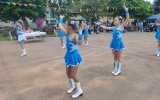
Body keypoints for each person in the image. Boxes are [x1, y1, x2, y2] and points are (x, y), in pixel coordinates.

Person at [95, 5, 130, 76]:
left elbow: (127, 19)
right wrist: (98, 24)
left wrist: (126, 10)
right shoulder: (113, 27)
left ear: (119, 21)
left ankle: (119, 70)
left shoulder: (121, 27)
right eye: (114, 20)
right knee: (115, 57)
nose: (114, 21)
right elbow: (105, 27)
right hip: (113, 43)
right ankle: (115, 69)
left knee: (119, 57)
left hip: (119, 44)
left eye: (115, 20)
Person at [58, 15, 84, 98]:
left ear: (70, 27)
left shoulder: (75, 35)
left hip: (74, 56)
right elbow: (59, 26)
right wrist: (61, 18)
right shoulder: (67, 33)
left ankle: (79, 90)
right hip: (68, 55)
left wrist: (80, 33)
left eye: (67, 25)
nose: (65, 26)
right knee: (68, 73)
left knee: (73, 74)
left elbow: (80, 44)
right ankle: (72, 86)